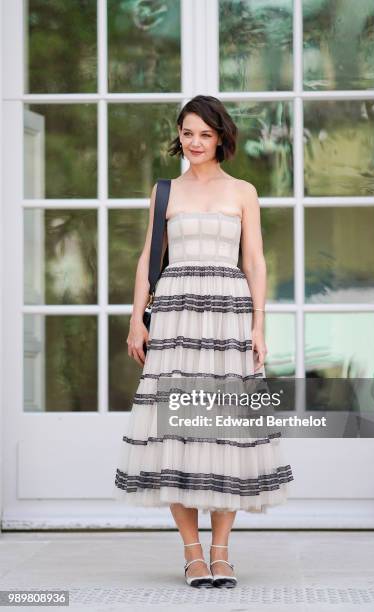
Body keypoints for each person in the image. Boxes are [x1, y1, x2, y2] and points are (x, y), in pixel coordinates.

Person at [114, 95, 294, 588]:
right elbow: (149, 256)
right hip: (174, 318)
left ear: (221, 138)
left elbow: (255, 262)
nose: (194, 142)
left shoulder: (243, 192)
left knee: (225, 432)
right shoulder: (165, 191)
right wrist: (136, 318)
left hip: (228, 318)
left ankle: (221, 551)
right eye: (187, 133)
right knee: (174, 432)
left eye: (205, 135)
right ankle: (192, 552)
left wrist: (259, 325)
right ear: (180, 135)